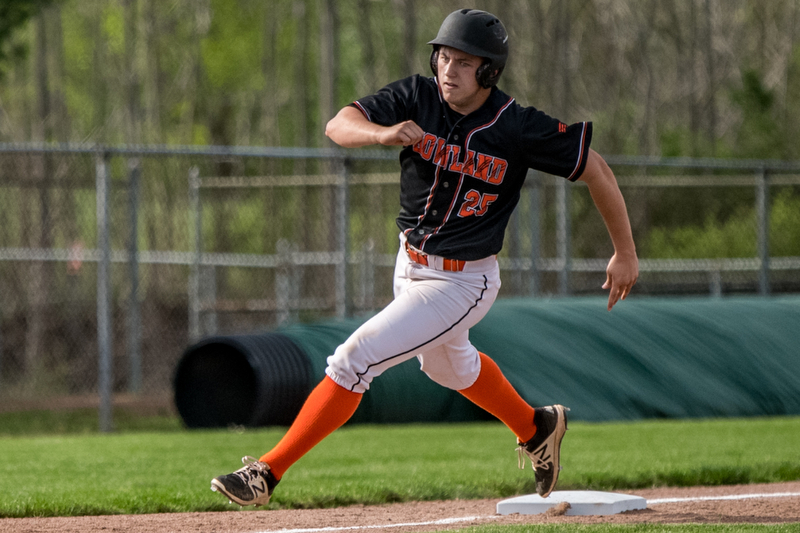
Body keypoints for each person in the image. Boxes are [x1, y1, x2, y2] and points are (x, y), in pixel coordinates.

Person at [210, 8, 638, 507]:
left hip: (463, 282)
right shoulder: (417, 96)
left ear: (489, 71)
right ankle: (536, 425)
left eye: (463, 62)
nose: (448, 70)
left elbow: (597, 170)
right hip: (409, 263)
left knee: (353, 360)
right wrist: (381, 134)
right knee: (447, 370)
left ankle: (266, 472)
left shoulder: (516, 126)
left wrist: (624, 252)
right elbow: (338, 124)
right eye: (443, 57)